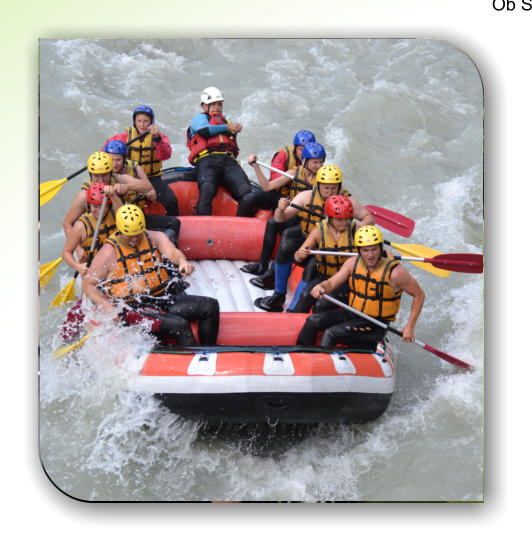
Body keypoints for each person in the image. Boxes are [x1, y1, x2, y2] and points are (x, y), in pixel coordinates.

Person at [82, 205, 219, 346]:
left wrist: (182, 261)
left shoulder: (155, 237)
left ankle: (209, 351)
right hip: (133, 308)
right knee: (181, 325)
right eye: (130, 235)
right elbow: (88, 284)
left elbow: (172, 252)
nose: (135, 239)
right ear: (120, 230)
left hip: (161, 299)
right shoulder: (108, 253)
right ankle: (194, 359)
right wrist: (106, 306)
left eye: (138, 234)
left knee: (210, 306)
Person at [254, 164, 375, 312]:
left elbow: (369, 218)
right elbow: (280, 218)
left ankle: (294, 309)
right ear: (318, 185)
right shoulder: (306, 196)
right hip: (310, 236)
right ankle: (279, 294)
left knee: (312, 267)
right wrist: (280, 209)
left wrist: (359, 227)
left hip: (330, 246)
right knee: (285, 245)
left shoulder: (348, 202)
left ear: (339, 186)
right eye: (326, 188)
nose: (330, 192)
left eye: (334, 188)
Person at [296, 225, 425, 350]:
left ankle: (322, 363)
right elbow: (330, 283)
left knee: (331, 334)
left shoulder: (396, 273)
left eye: (374, 249)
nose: (370, 255)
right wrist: (321, 286)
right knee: (312, 321)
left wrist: (410, 326)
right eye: (365, 250)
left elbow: (419, 295)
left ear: (381, 248)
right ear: (358, 250)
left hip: (375, 324)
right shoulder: (352, 263)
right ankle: (300, 354)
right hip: (352, 313)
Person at [240, 141, 327, 284]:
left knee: (288, 233)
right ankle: (262, 264)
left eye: (321, 162)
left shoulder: (325, 179)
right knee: (272, 223)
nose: (319, 166)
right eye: (315, 162)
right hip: (295, 213)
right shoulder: (294, 172)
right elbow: (267, 186)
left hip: (310, 221)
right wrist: (256, 167)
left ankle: (272, 275)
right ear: (305, 161)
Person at [186, 87, 252, 216]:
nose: (217, 107)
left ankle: (240, 223)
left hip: (228, 162)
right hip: (207, 160)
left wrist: (233, 129)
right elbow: (203, 130)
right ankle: (202, 223)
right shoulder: (200, 118)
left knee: (245, 192)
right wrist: (227, 127)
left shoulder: (226, 122)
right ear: (204, 106)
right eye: (213, 104)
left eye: (219, 104)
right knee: (207, 188)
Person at [104, 140, 181, 247]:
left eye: (118, 160)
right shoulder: (104, 175)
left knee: (175, 222)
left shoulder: (135, 168)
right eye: (112, 160)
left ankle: (166, 249)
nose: (115, 164)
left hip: (138, 216)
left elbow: (151, 192)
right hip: (119, 222)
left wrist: (130, 188)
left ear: (124, 159)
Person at [104, 105, 178, 216]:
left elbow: (166, 155)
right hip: (131, 177)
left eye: (145, 121)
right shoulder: (124, 137)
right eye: (139, 121)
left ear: (151, 122)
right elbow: (106, 150)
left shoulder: (159, 137)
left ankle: (172, 221)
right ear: (135, 122)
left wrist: (157, 139)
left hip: (153, 178)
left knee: (171, 200)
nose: (142, 125)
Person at [290, 194, 357, 313]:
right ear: (330, 218)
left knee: (322, 304)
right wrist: (300, 255)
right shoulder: (318, 231)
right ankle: (296, 320)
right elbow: (297, 257)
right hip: (323, 276)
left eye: (347, 219)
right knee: (305, 296)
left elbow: (372, 250)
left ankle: (316, 321)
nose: (344, 223)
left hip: (345, 281)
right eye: (339, 220)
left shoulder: (356, 230)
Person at [236, 130, 316, 218]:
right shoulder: (285, 157)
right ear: (295, 148)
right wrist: (256, 166)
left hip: (299, 201)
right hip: (279, 195)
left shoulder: (316, 164)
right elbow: (271, 183)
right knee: (248, 199)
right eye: (301, 150)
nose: (304, 154)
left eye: (307, 150)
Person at [62, 182, 122, 278]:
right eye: (95, 206)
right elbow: (66, 252)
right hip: (94, 269)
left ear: (109, 205)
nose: (99, 211)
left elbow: (123, 215)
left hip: (115, 264)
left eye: (103, 206)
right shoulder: (80, 226)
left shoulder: (115, 214)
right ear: (89, 205)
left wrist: (113, 195)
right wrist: (78, 266)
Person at [63, 151, 116, 238]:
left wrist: (125, 187)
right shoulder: (83, 196)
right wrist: (76, 245)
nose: (100, 180)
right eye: (96, 176)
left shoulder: (117, 182)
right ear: (91, 175)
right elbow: (67, 224)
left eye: (104, 176)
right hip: (96, 239)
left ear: (110, 173)